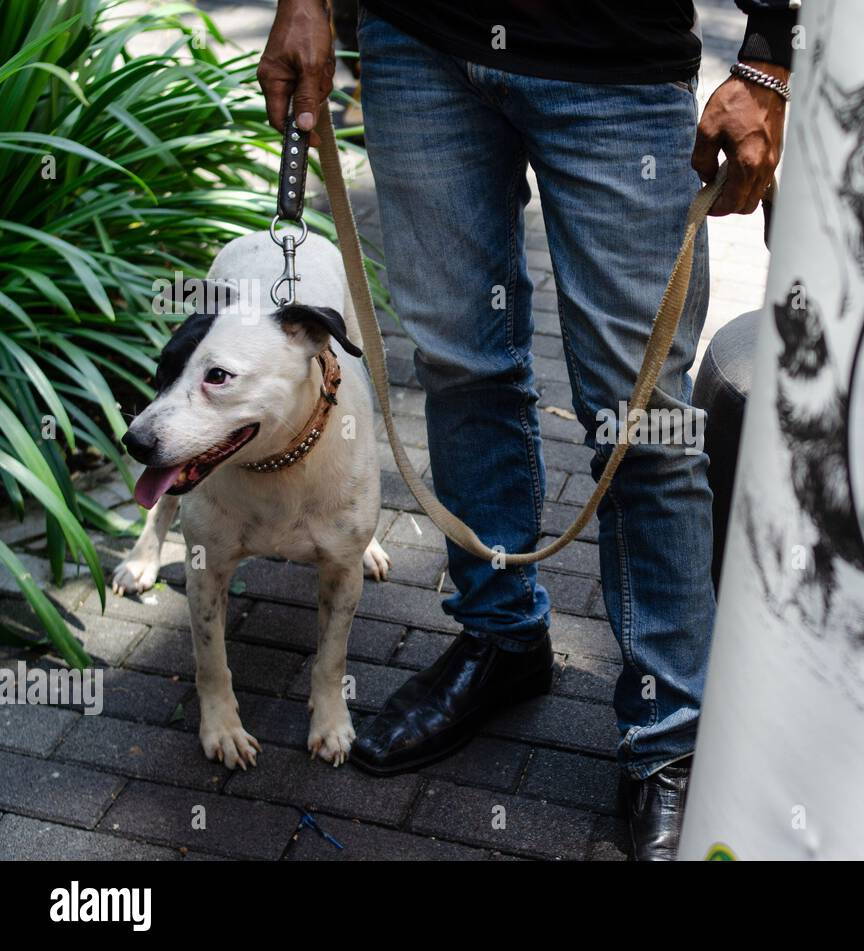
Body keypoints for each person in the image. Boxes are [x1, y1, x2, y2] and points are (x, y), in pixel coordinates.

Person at [258, 0, 796, 861]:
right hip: (417, 41)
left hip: (614, 63)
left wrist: (768, 55)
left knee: (642, 421)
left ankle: (672, 731)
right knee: (462, 367)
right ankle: (500, 636)